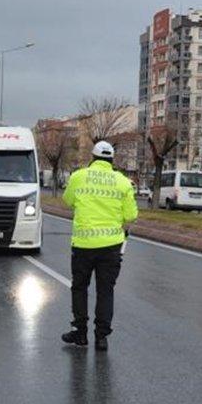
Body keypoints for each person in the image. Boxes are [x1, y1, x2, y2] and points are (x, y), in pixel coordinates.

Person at [60, 141, 138, 351]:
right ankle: (102, 337)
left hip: (83, 245)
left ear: (92, 158)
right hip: (112, 246)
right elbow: (131, 215)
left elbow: (67, 201)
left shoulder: (79, 177)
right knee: (105, 291)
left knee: (80, 288)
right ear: (112, 161)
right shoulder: (122, 182)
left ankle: (80, 333)